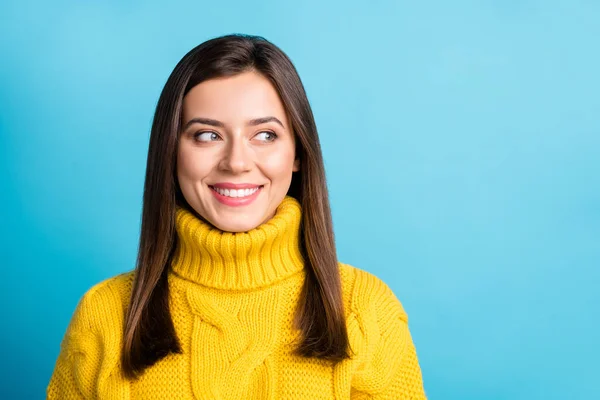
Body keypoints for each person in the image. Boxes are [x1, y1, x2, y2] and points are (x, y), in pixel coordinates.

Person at [47, 33, 427, 399]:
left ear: (297, 153)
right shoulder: (104, 316)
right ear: (171, 152)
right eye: (207, 136)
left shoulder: (366, 311)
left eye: (264, 135)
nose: (237, 163)